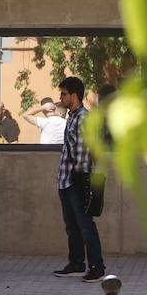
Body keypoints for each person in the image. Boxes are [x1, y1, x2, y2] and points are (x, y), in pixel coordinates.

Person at [53, 76, 106, 283]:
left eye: (64, 94)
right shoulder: (73, 117)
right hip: (66, 179)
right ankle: (76, 263)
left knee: (85, 225)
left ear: (74, 96)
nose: (61, 97)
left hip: (78, 178)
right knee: (72, 225)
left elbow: (88, 151)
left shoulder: (84, 118)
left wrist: (81, 178)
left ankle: (97, 267)